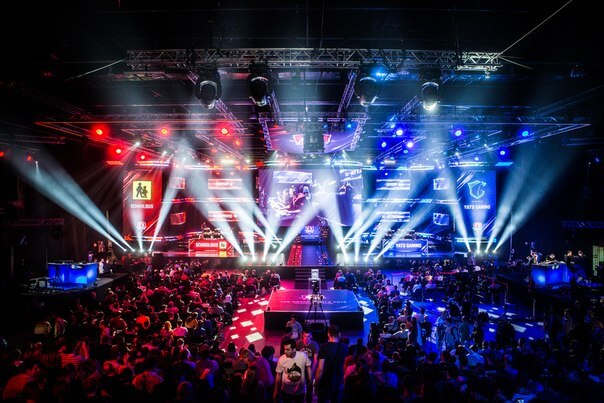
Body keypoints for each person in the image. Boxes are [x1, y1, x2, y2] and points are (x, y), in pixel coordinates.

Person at [315, 324, 347, 403]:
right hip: (338, 382)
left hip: (325, 383)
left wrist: (316, 383)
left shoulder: (324, 347)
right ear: (339, 334)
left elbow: (320, 369)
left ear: (328, 334)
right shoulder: (344, 347)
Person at [274, 338, 312, 403]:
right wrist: (276, 391)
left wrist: (310, 380)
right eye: (284, 349)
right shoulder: (282, 359)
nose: (285, 351)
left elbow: (308, 367)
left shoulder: (303, 356)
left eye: (287, 350)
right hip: (286, 391)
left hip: (300, 390)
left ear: (294, 349)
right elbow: (278, 375)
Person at [296, 329, 319, 403]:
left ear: (311, 336)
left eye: (308, 336)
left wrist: (312, 371)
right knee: (299, 386)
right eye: (305, 336)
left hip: (309, 368)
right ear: (302, 336)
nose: (306, 338)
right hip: (300, 368)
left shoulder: (314, 344)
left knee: (309, 386)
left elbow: (315, 360)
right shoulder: (298, 343)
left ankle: (309, 400)